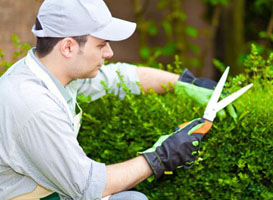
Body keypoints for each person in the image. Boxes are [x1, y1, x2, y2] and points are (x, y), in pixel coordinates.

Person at [0, 0, 235, 200]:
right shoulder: (34, 105)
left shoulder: (54, 72)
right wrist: (160, 157)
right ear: (68, 47)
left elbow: (120, 77)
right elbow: (87, 186)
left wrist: (183, 83)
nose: (109, 53)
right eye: (101, 44)